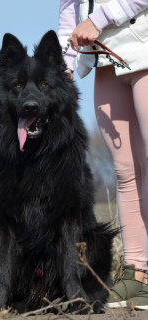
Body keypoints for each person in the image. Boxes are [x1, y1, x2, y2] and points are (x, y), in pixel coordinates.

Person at [58, 0, 148, 310]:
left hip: (144, 46)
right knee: (127, 171)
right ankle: (137, 274)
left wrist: (98, 19)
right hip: (106, 59)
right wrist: (63, 67)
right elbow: (69, 14)